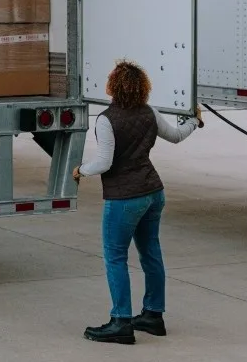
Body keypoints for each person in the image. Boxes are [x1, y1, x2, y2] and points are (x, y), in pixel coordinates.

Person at [73, 60, 203, 344]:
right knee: (151, 253)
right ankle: (153, 316)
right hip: (154, 192)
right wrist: (194, 120)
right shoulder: (150, 113)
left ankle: (121, 321)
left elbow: (104, 163)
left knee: (115, 257)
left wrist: (81, 170)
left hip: (125, 198)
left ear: (112, 86)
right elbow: (177, 136)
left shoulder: (107, 119)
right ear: (143, 87)